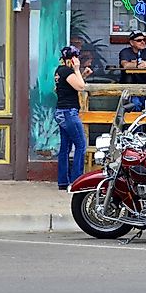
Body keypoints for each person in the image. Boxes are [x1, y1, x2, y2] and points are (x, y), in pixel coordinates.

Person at [54, 45, 91, 190]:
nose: (78, 60)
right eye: (76, 57)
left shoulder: (59, 71)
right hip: (69, 112)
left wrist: (83, 74)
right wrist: (77, 70)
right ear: (72, 58)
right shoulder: (68, 71)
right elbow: (81, 87)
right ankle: (77, 182)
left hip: (61, 112)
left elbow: (70, 86)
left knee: (65, 148)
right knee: (81, 145)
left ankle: (63, 182)